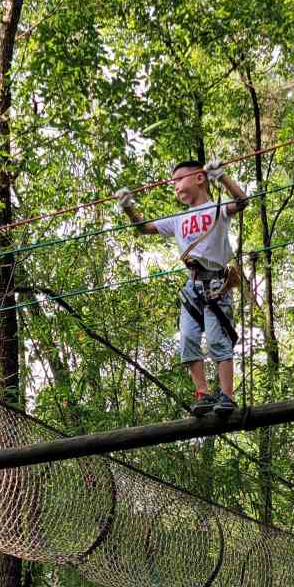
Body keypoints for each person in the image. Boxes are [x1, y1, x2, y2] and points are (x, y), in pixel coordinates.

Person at [117, 158, 249, 416]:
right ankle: (203, 393)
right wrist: (128, 207)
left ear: (199, 178)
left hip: (217, 283)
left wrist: (221, 177)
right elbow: (145, 228)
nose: (175, 186)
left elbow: (242, 201)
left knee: (216, 339)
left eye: (179, 180)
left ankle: (227, 395)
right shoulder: (178, 219)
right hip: (192, 287)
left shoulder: (217, 208)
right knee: (188, 339)